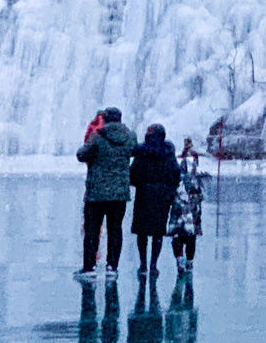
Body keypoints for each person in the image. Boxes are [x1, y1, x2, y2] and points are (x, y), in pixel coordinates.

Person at [76, 106, 136, 280]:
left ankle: (89, 267)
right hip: (119, 194)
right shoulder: (130, 137)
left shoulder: (98, 137)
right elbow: (135, 151)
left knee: (92, 230)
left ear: (106, 119)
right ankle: (112, 267)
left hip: (97, 193)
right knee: (115, 229)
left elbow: (81, 155)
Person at [129, 123, 181, 278]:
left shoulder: (142, 151)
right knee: (158, 232)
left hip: (144, 193)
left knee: (142, 231)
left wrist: (139, 183)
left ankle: (143, 264)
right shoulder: (168, 152)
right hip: (162, 196)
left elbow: (134, 173)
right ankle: (154, 264)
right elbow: (175, 173)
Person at [170, 140, 205, 274]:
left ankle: (180, 259)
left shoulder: (177, 169)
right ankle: (189, 261)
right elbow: (200, 193)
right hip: (193, 208)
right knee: (191, 236)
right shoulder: (195, 174)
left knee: (177, 234)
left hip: (178, 207)